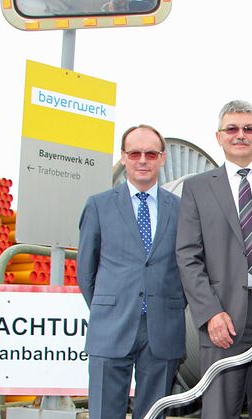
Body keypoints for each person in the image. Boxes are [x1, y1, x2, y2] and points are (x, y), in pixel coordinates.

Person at [175, 100, 252, 419]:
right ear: (219, 136)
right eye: (232, 129)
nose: (240, 135)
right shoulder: (196, 188)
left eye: (248, 129)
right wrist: (210, 313)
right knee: (220, 410)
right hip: (223, 316)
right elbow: (188, 255)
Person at [77, 124, 186, 419]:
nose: (142, 160)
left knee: (153, 413)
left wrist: (169, 305)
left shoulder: (181, 208)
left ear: (162, 158)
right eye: (135, 153)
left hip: (162, 329)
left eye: (150, 153)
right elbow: (86, 272)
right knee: (104, 412)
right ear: (123, 157)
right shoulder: (98, 206)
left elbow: (187, 266)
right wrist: (110, 305)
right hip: (111, 326)